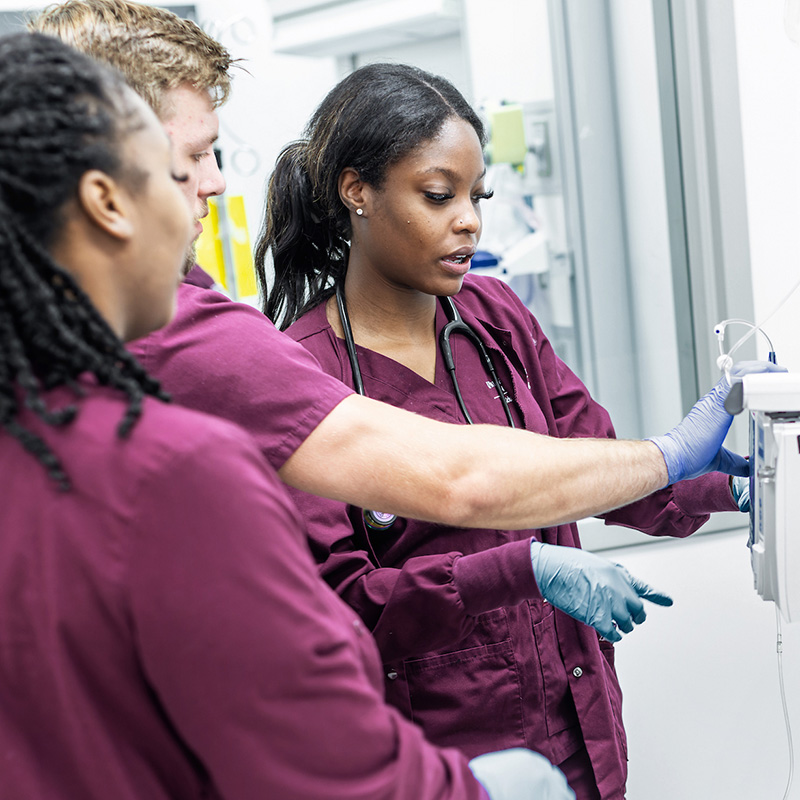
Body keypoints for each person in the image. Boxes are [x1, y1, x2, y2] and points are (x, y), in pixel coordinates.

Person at [0, 31, 583, 800]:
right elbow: (320, 756)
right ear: (107, 201)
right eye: (180, 169)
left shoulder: (37, 446)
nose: (206, 189)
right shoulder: (179, 467)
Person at [29, 0, 748, 543]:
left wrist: (723, 484)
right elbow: (454, 484)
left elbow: (586, 463)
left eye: (476, 197)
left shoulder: (494, 319)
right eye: (189, 161)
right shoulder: (207, 339)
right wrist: (663, 456)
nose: (214, 184)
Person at [258, 63, 762, 800]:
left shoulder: (497, 322)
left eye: (476, 196)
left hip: (581, 731)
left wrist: (746, 486)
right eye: (439, 196)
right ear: (355, 190)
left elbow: (600, 474)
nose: (469, 220)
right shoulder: (299, 378)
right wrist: (518, 570)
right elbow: (342, 609)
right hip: (443, 761)